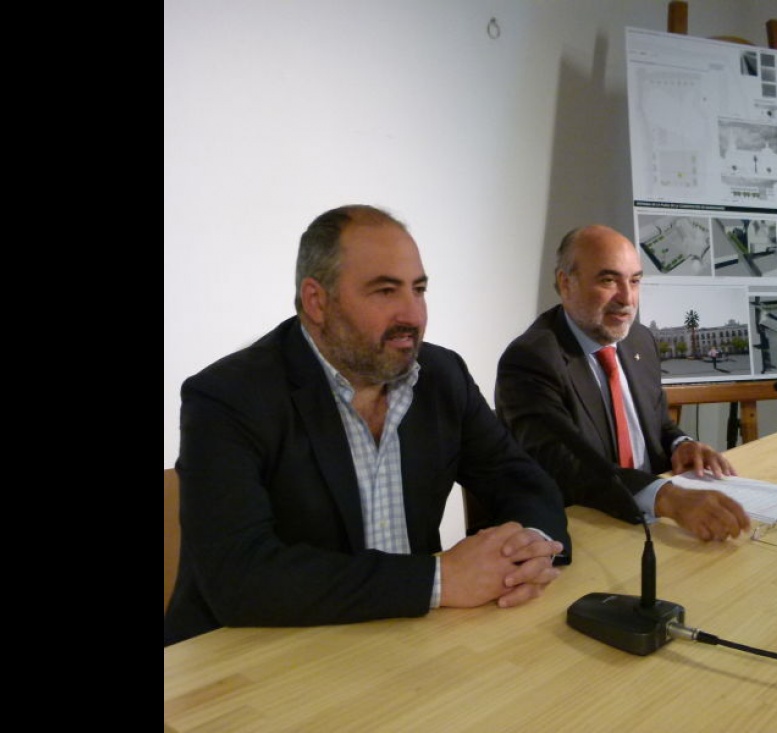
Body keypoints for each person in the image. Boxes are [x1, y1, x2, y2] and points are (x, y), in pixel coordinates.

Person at [165, 204, 570, 647]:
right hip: (252, 660)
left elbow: (521, 480)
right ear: (317, 301)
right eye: (385, 291)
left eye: (418, 290)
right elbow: (239, 577)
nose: (413, 315)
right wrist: (439, 579)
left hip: (402, 644)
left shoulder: (441, 376)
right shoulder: (228, 397)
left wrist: (530, 546)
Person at [495, 224, 751, 542]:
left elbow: (657, 423)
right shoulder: (531, 360)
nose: (627, 298)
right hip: (586, 530)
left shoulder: (639, 340)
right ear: (565, 283)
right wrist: (665, 497)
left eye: (634, 281)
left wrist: (681, 445)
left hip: (656, 527)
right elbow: (567, 468)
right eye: (608, 280)